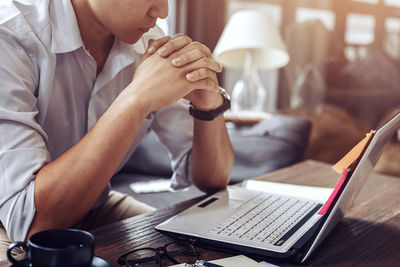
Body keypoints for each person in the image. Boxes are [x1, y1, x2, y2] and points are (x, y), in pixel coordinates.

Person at [0, 0, 234, 259]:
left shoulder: (148, 44)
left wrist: (208, 106)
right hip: (8, 225)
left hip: (94, 206)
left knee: (207, 248)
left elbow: (212, 178)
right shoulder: (9, 36)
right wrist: (136, 99)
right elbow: (31, 225)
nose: (163, 12)